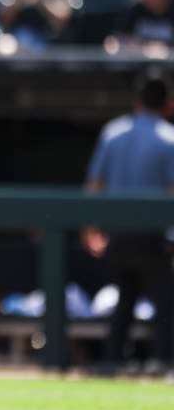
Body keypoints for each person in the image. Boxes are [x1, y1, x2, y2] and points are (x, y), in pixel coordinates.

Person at [81, 72, 174, 376]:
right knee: (163, 302)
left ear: (136, 100)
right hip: (152, 237)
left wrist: (89, 227)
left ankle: (113, 360)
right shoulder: (168, 138)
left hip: (118, 234)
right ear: (168, 104)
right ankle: (160, 361)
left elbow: (94, 184)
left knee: (126, 298)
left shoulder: (113, 132)